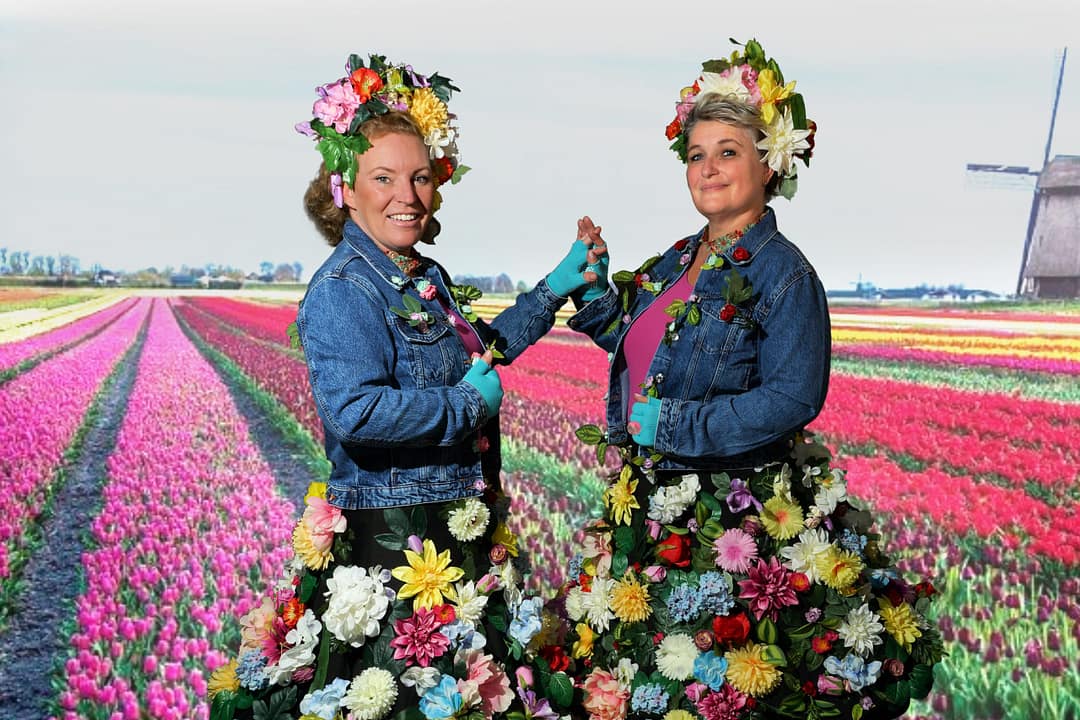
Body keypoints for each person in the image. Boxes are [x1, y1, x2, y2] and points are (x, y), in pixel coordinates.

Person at [540, 39, 944, 720]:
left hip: (732, 523)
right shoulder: (676, 258)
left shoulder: (785, 273)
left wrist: (675, 425)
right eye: (696, 154)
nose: (707, 168)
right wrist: (594, 290)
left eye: (727, 152)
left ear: (769, 164)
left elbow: (794, 396)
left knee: (715, 695)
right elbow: (650, 350)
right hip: (650, 508)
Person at [207, 53, 607, 719]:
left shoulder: (422, 275)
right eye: (384, 178)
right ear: (345, 188)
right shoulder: (344, 289)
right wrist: (465, 406)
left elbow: (479, 351)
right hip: (393, 551)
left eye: (420, 177)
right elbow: (355, 412)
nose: (408, 195)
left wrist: (556, 287)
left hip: (457, 534)